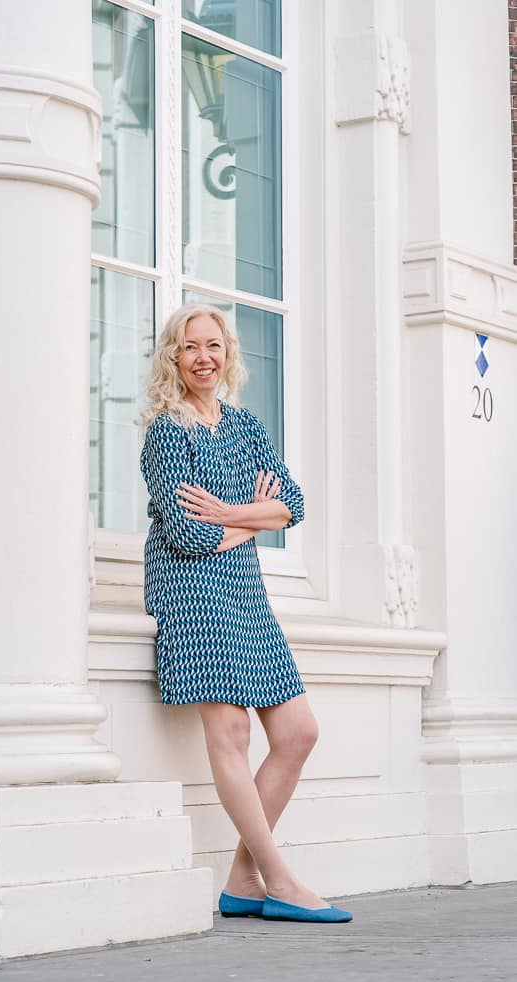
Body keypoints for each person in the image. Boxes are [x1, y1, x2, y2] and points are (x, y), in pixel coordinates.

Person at [139, 303, 352, 923]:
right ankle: (278, 879)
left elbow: (291, 504)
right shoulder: (166, 431)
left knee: (298, 732)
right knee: (231, 736)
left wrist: (231, 515)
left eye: (213, 345)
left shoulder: (246, 426)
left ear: (227, 352)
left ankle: (241, 877)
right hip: (191, 592)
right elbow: (183, 531)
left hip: (246, 592)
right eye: (189, 347)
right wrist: (251, 517)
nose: (203, 357)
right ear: (172, 359)